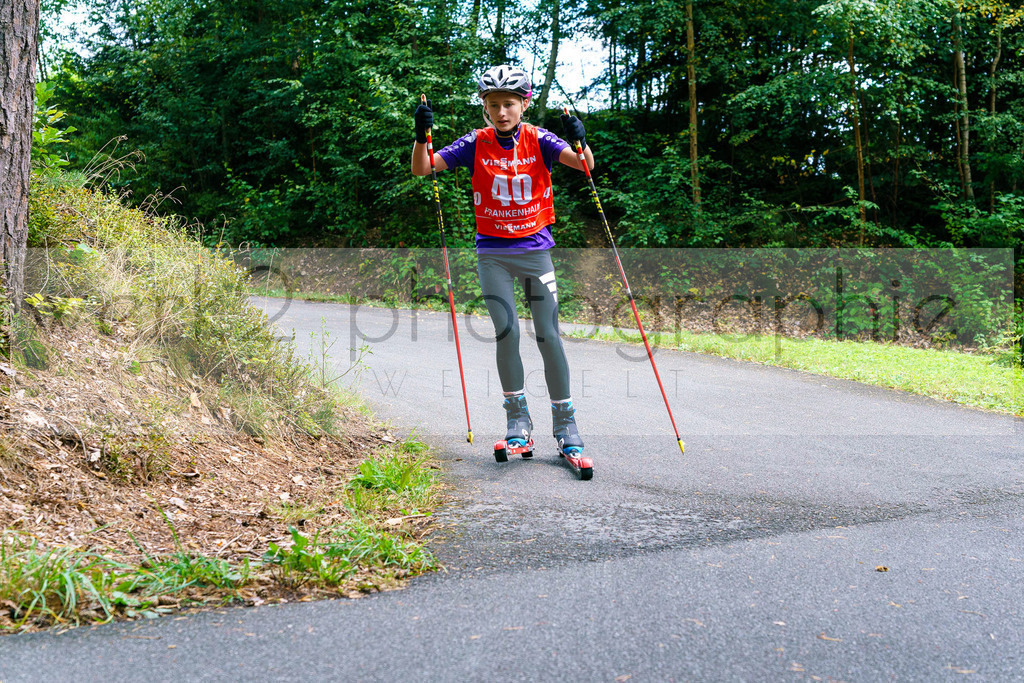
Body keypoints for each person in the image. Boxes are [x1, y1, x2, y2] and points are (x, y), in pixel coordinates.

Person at [410, 64, 595, 462]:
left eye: (509, 103)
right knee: (506, 332)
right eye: (493, 104)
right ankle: (518, 424)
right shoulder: (475, 142)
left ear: (523, 105)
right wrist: (420, 137)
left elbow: (585, 166)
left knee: (548, 335)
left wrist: (580, 140)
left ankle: (566, 425)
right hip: (492, 253)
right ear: (485, 106)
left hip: (534, 251)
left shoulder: (539, 139)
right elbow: (423, 168)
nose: (501, 111)